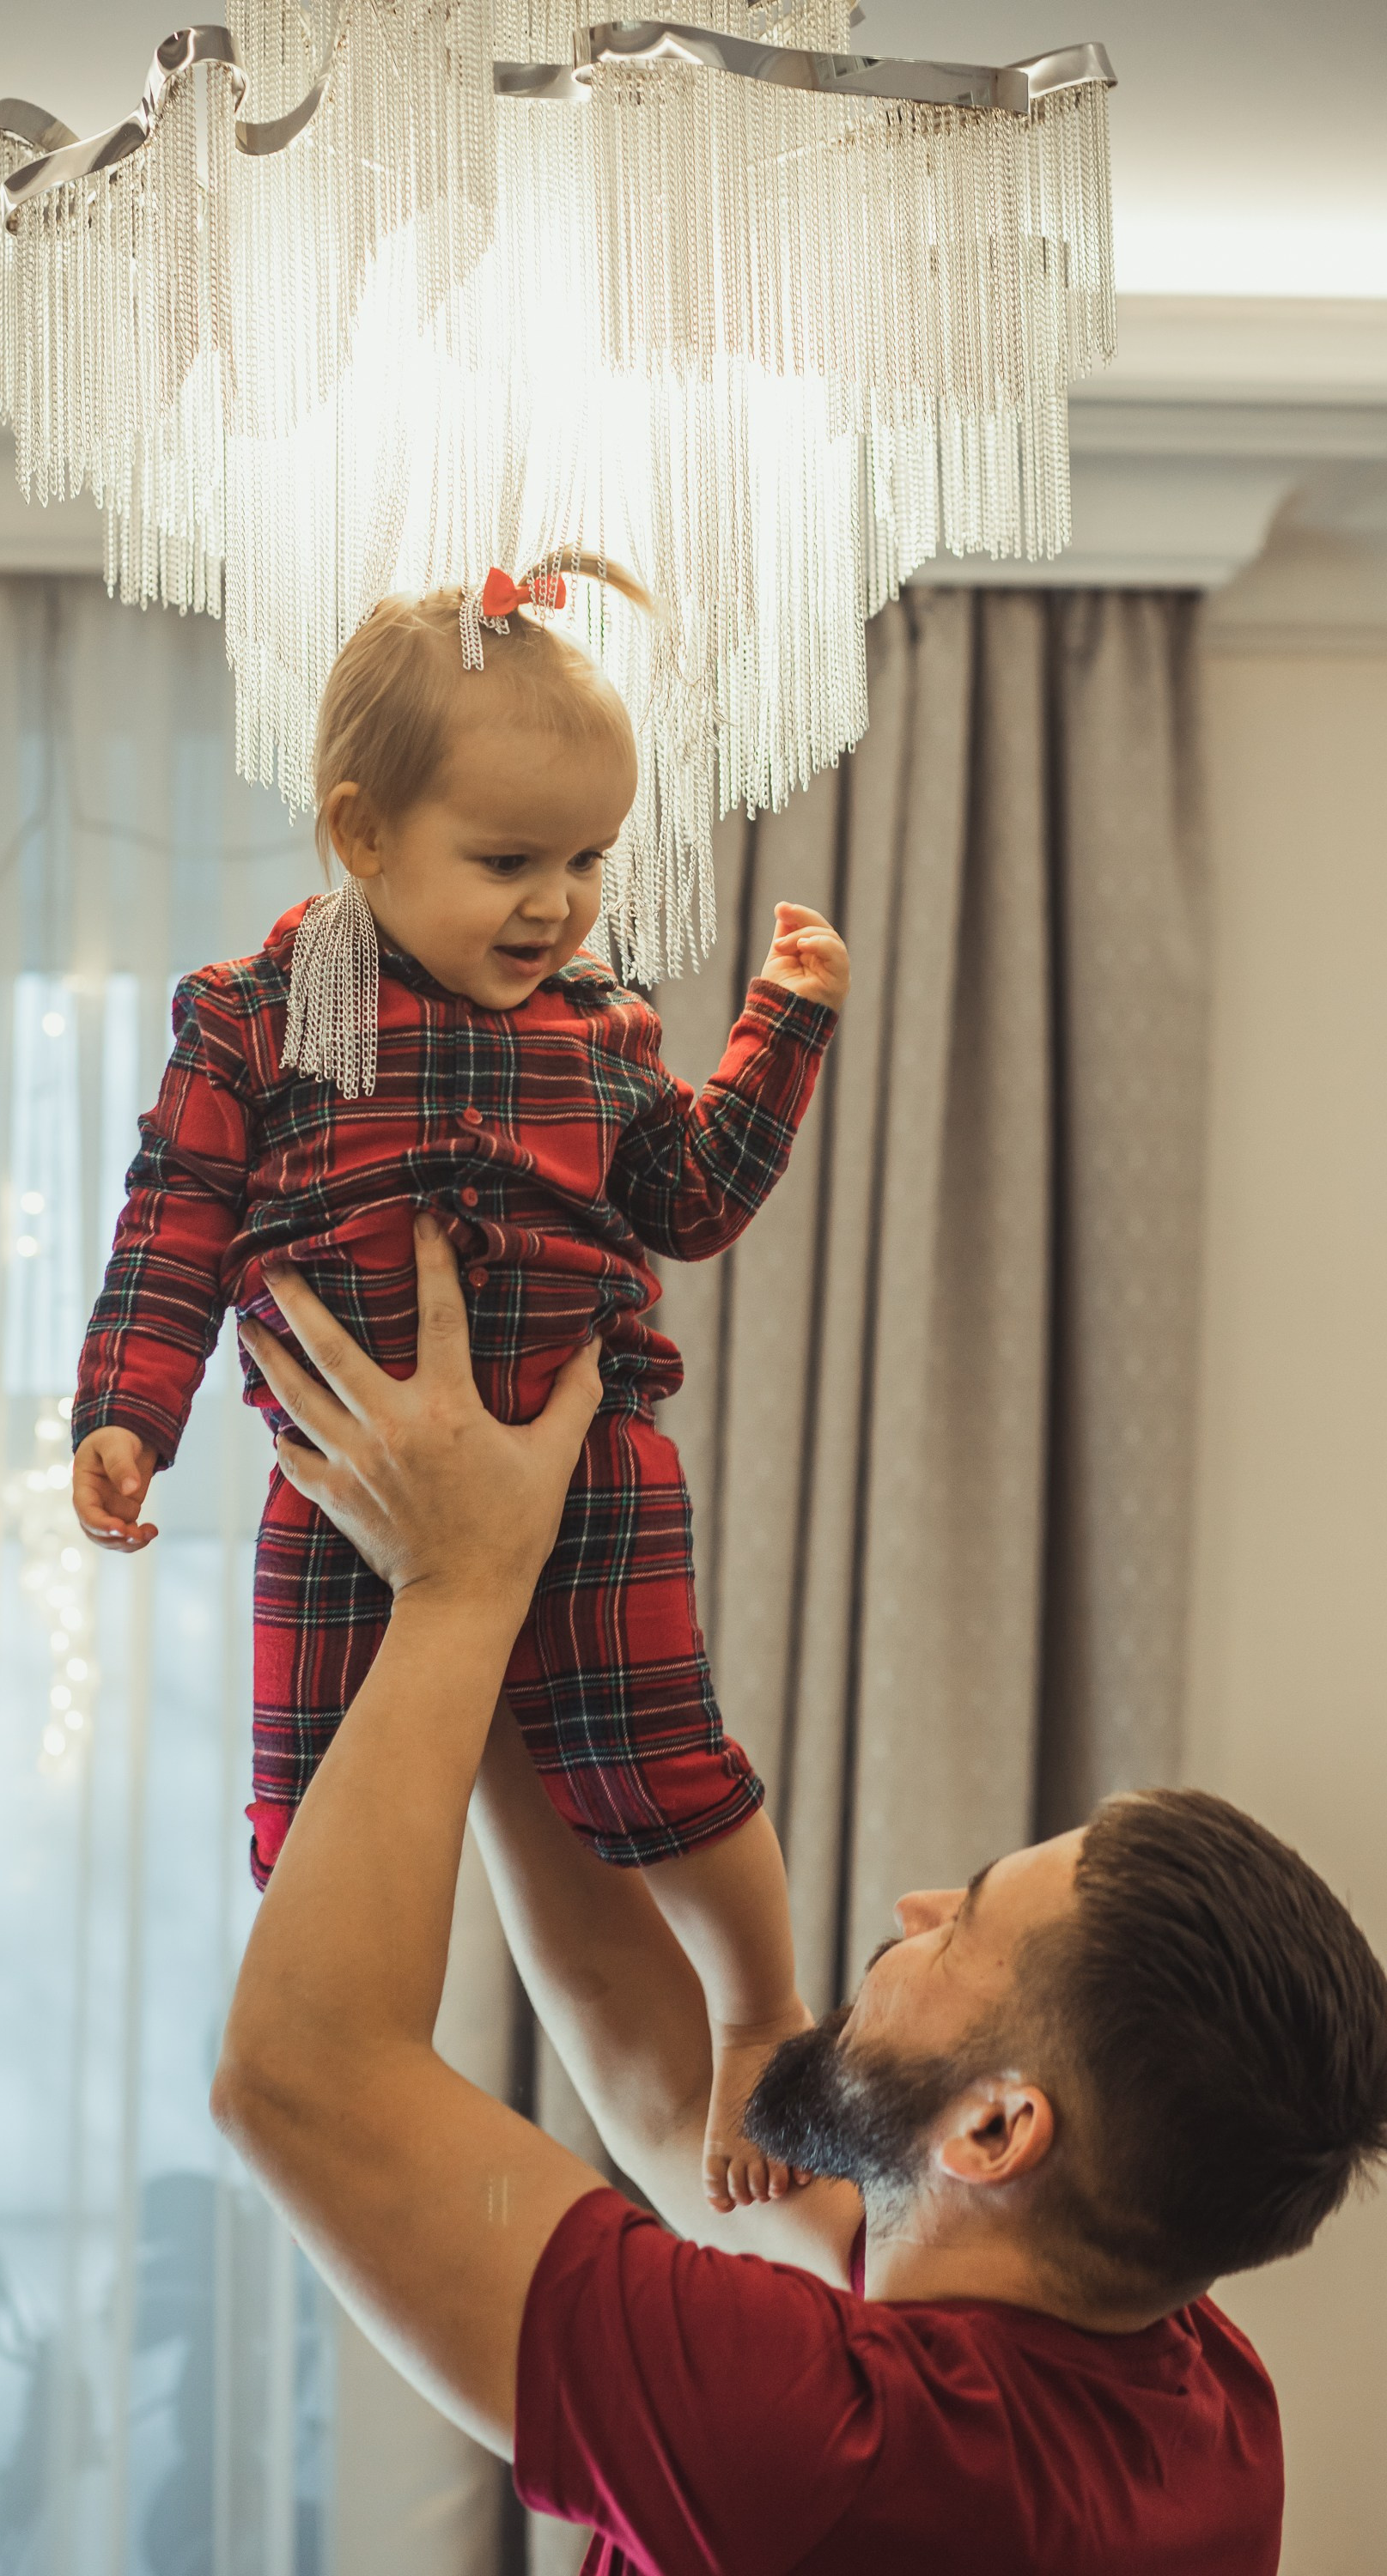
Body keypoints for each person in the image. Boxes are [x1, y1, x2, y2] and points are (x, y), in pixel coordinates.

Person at [209, 1221, 1387, 2576]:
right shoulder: (1186, 2384)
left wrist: (454, 1591)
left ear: (999, 2129)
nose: (916, 1907)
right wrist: (506, 1581)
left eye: (970, 1925)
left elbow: (299, 2079)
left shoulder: (843, 2456)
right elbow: (664, 2100)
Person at [70, 561, 850, 2206]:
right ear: (362, 835)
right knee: (310, 1801)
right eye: (507, 860)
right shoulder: (257, 1019)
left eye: (584, 861)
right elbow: (175, 1220)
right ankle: (375, 2097)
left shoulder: (599, 1033)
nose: (557, 903)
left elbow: (690, 1201)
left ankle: (763, 2010)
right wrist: (128, 1414)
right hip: (337, 1491)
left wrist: (781, 1029)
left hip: (590, 1468)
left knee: (660, 1753)